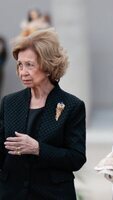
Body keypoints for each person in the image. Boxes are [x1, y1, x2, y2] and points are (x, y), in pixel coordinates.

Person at [0, 28, 86, 200]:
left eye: (30, 65)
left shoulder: (72, 106)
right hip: (12, 193)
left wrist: (38, 149)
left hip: (53, 194)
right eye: (20, 65)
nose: (23, 71)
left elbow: (76, 158)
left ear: (48, 67)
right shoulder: (9, 102)